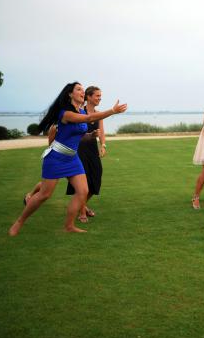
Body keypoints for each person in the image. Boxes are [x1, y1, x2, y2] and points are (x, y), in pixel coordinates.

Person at [8, 82, 127, 236]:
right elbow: (90, 117)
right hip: (56, 157)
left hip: (72, 158)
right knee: (44, 194)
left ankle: (69, 226)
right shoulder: (65, 113)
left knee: (83, 191)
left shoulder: (80, 111)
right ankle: (19, 222)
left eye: (83, 90)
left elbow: (78, 134)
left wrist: (90, 136)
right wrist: (112, 110)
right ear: (70, 94)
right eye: (78, 89)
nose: (82, 92)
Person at [66, 86, 106, 223]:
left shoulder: (99, 114)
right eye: (97, 96)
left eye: (100, 96)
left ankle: (82, 204)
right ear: (88, 97)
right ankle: (82, 212)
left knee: (96, 178)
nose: (99, 98)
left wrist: (103, 145)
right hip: (79, 149)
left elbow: (101, 132)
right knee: (84, 182)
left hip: (92, 149)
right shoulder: (80, 112)